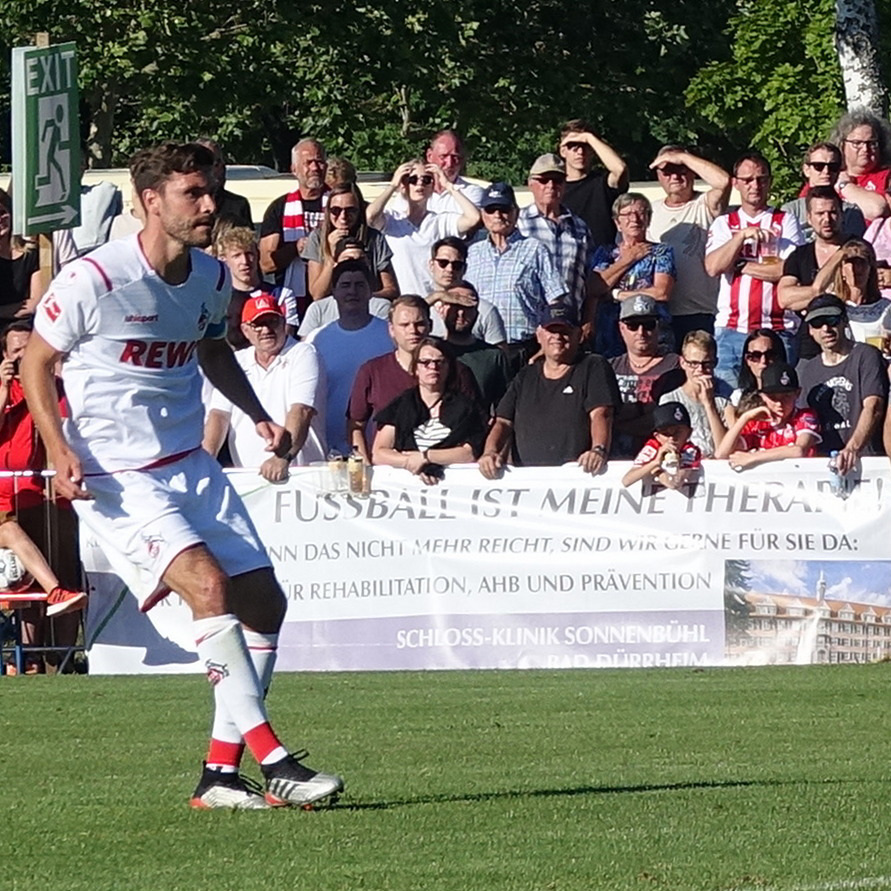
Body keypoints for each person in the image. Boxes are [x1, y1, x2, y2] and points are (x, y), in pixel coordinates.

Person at [21, 142, 343, 809]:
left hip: (188, 463)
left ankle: (219, 776)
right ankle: (272, 755)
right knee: (208, 585)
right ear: (149, 201)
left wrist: (256, 414)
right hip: (116, 472)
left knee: (264, 603)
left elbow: (209, 347)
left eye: (211, 191)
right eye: (193, 193)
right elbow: (36, 363)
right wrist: (57, 447)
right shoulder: (94, 278)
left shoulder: (212, 277)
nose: (208, 205)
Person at [0, 323, 85, 674]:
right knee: (20, 579)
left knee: (59, 569)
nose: (22, 356)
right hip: (8, 494)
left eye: (27, 349)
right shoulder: (5, 388)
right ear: (5, 355)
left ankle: (60, 658)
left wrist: (61, 375)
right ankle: (28, 655)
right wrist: (3, 388)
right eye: (15, 350)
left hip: (43, 494)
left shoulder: (49, 385)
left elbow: (72, 425)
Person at [705, 152, 805, 386]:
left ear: (769, 182)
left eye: (761, 179)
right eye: (748, 179)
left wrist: (741, 265)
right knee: (732, 399)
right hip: (732, 330)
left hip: (778, 329)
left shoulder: (785, 221)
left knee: (778, 397)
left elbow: (790, 270)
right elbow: (713, 267)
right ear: (735, 183)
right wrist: (740, 237)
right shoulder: (724, 224)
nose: (755, 185)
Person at [478, 310, 620, 475]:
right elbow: (503, 422)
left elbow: (601, 414)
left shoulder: (593, 366)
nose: (557, 337)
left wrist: (598, 450)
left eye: (565, 332)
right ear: (539, 335)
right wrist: (489, 452)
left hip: (579, 476)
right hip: (528, 478)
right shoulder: (525, 375)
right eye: (551, 331)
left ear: (579, 335)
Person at [203, 295, 325, 479]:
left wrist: (282, 457)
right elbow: (219, 415)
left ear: (284, 322)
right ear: (245, 330)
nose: (266, 330)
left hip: (300, 475)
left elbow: (302, 410)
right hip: (249, 478)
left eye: (272, 321)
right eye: (257, 324)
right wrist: (206, 461)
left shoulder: (303, 353)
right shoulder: (237, 361)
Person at [347, 294, 480, 460]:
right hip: (390, 473)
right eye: (404, 325)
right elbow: (356, 426)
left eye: (419, 324)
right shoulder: (372, 371)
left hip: (450, 473)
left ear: (430, 326)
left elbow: (474, 429)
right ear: (391, 330)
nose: (413, 331)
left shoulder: (457, 372)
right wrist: (364, 465)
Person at [464, 182, 566, 361]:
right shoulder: (472, 253)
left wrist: (547, 343)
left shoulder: (535, 249)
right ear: (482, 214)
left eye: (504, 209)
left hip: (522, 348)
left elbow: (556, 300)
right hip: (480, 349)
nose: (497, 215)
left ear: (516, 212)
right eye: (491, 209)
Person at [306, 259, 393, 455]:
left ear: (371, 291)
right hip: (331, 450)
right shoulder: (316, 339)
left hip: (383, 449)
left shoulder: (391, 335)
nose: (352, 292)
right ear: (334, 292)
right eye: (345, 285)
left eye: (359, 285)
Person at [372, 337, 486, 486]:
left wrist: (426, 457)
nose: (433, 367)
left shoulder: (466, 408)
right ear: (415, 368)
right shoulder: (401, 406)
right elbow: (379, 453)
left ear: (449, 367)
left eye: (440, 362)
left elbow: (468, 454)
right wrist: (409, 461)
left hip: (453, 488)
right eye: (425, 362)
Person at [647, 146, 731, 342]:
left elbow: (724, 181)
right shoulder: (649, 211)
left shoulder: (704, 203)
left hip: (701, 312)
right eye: (667, 171)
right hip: (659, 313)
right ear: (659, 176)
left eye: (680, 169)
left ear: (692, 171)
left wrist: (682, 157)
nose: (674, 176)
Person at [797, 294, 887, 470]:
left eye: (831, 320)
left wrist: (852, 449)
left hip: (866, 462)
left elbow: (874, 406)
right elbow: (805, 421)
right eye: (817, 323)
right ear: (810, 330)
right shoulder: (808, 370)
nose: (825, 329)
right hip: (824, 465)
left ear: (844, 321)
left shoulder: (866, 355)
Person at [366, 158, 479, 297]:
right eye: (412, 180)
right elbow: (370, 216)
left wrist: (448, 186)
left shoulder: (440, 221)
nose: (419, 183)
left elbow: (473, 218)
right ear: (403, 185)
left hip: (435, 302)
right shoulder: (392, 219)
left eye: (426, 180)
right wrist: (393, 185)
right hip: (400, 304)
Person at [519, 154, 600, 332]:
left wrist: (588, 319)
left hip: (569, 327)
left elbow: (590, 278)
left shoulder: (580, 227)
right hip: (528, 327)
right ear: (531, 184)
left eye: (557, 180)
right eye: (544, 180)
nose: (551, 186)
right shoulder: (518, 224)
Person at [593, 192, 676, 358]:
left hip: (648, 332)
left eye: (641, 213)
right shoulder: (606, 253)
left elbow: (661, 292)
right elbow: (595, 287)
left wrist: (617, 294)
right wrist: (628, 259)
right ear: (618, 222)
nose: (635, 219)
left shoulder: (661, 252)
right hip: (611, 332)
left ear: (648, 219)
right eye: (627, 214)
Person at [777, 186, 849, 362]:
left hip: (850, 339)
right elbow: (785, 298)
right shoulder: (799, 256)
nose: (827, 219)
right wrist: (822, 290)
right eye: (820, 213)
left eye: (832, 212)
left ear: (841, 214)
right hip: (810, 345)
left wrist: (806, 295)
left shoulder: (856, 250)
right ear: (809, 218)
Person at [259, 137, 328, 318]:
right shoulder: (279, 208)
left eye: (319, 162)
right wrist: (296, 248)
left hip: (333, 297)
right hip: (292, 304)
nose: (314, 168)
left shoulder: (341, 205)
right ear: (294, 169)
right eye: (308, 163)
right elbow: (265, 264)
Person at [609, 295, 684, 459]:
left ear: (658, 327)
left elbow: (671, 417)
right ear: (621, 328)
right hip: (614, 460)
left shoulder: (676, 365)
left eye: (649, 325)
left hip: (663, 457)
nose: (641, 332)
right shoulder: (608, 367)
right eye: (633, 325)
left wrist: (619, 424)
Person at [715, 362, 821, 470]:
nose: (779, 403)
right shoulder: (756, 423)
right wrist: (745, 417)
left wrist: (753, 457)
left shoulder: (804, 416)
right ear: (762, 396)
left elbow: (798, 450)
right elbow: (721, 454)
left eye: (786, 396)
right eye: (772, 397)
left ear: (797, 393)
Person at [303, 182, 398, 302]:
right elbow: (317, 294)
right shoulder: (317, 238)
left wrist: (360, 297)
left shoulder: (374, 237)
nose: (343, 216)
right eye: (336, 210)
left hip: (368, 307)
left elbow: (392, 290)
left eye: (350, 210)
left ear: (360, 210)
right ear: (328, 211)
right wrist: (330, 257)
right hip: (332, 309)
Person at [435, 282, 512, 415]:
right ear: (441, 310)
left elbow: (505, 410)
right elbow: (409, 313)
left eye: (467, 307)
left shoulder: (493, 356)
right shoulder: (431, 350)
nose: (460, 313)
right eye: (455, 305)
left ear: (476, 312)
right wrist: (436, 296)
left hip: (477, 431)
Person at [214, 225, 294, 348]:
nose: (245, 261)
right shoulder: (217, 299)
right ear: (224, 259)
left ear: (257, 255)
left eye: (249, 254)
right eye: (237, 256)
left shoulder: (282, 295)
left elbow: (286, 341)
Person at [658, 330, 730, 457]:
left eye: (707, 364)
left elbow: (724, 451)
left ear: (716, 363)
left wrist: (710, 405)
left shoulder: (724, 402)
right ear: (683, 362)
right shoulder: (669, 399)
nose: (700, 370)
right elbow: (669, 444)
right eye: (693, 363)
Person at [558, 119, 629, 246]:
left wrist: (589, 138)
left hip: (604, 261)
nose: (580, 152)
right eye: (574, 146)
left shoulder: (602, 183)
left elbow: (620, 169)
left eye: (585, 146)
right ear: (563, 151)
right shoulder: (555, 188)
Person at [781, 142, 872, 239]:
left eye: (833, 167)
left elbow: (854, 248)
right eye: (818, 166)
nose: (826, 171)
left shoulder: (851, 212)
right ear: (806, 170)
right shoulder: (791, 210)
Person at [427, 236, 506, 346]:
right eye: (443, 263)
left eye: (457, 265)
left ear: (464, 269)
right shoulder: (424, 305)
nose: (449, 269)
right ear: (431, 265)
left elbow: (499, 357)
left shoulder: (485, 310)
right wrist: (437, 297)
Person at [622, 402, 702, 491]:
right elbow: (626, 481)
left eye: (677, 432)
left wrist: (656, 472)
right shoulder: (653, 447)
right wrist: (655, 462)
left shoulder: (690, 451)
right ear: (657, 436)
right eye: (665, 433)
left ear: (689, 432)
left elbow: (674, 483)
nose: (671, 438)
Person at [829, 239, 891, 344]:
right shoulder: (832, 306)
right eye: (850, 262)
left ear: (870, 269)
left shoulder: (886, 308)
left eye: (861, 262)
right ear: (841, 270)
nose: (856, 268)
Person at [830, 108, 891, 212]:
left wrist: (844, 185)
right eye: (857, 143)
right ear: (842, 144)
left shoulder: (887, 177)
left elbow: (878, 210)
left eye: (871, 143)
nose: (865, 149)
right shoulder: (825, 175)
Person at [724, 328, 789, 424]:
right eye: (756, 356)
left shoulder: (789, 396)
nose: (763, 361)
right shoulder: (738, 397)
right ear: (747, 360)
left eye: (770, 355)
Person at [0, 190, 41, 320]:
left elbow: (36, 302)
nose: (0, 219)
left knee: (18, 338)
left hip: (22, 322)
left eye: (2, 212)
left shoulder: (30, 254)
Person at [196, 138, 253, 228]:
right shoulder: (184, 205)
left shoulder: (238, 204)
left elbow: (246, 239)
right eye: (210, 163)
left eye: (218, 163)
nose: (216, 169)